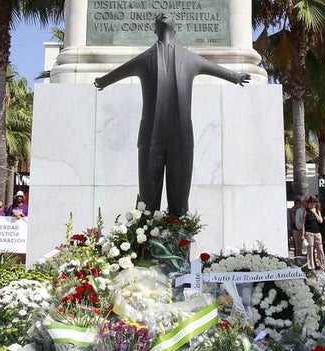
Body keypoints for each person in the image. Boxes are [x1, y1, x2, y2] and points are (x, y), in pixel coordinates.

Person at [94, 13, 251, 217]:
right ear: (155, 29)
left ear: (175, 30)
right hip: (150, 138)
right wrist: (104, 81)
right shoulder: (144, 58)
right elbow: (120, 71)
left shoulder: (190, 58)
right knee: (148, 204)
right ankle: (146, 236)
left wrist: (236, 76)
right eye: (159, 18)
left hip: (181, 139)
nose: (164, 15)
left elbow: (214, 68)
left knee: (180, 203)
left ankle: (180, 236)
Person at [300, 196, 325, 273]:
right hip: (309, 232)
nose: (312, 204)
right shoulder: (306, 211)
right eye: (311, 202)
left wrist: (315, 212)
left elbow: (320, 221)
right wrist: (303, 234)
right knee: (310, 250)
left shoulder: (318, 211)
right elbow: (303, 223)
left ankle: (323, 266)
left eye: (314, 202)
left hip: (317, 232)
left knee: (320, 250)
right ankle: (311, 267)